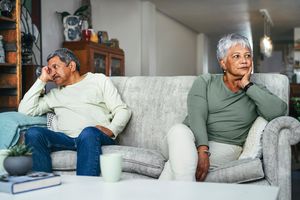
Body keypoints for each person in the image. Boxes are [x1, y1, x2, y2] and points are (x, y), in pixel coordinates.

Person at [159, 33, 287, 182]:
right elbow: (197, 116)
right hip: (187, 139)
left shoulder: (255, 90)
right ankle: (188, 191)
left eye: (247, 56)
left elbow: (279, 112)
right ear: (223, 63)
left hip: (225, 147)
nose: (244, 61)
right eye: (236, 56)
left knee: (175, 166)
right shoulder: (205, 81)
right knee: (178, 130)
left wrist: (247, 86)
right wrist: (202, 150)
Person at [18, 48, 131, 176]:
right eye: (50, 69)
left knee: (88, 132)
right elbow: (25, 109)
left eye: (55, 67)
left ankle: (84, 191)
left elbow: (122, 110)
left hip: (94, 136)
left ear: (71, 66)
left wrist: (112, 129)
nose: (52, 73)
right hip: (66, 139)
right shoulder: (54, 94)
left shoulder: (98, 80)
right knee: (34, 133)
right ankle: (42, 184)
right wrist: (42, 80)